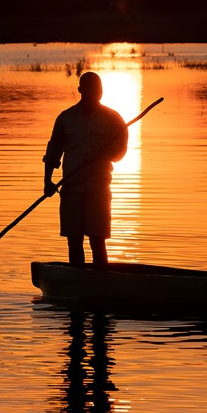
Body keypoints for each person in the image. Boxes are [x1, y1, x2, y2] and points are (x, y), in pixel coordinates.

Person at [43, 72, 128, 269]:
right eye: (90, 89)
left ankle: (101, 282)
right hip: (72, 189)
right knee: (74, 240)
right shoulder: (66, 118)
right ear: (81, 90)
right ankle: (77, 279)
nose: (95, 93)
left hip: (99, 189)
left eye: (98, 89)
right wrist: (47, 181)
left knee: (97, 240)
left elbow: (120, 152)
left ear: (102, 92)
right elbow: (53, 151)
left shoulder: (113, 119)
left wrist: (101, 154)